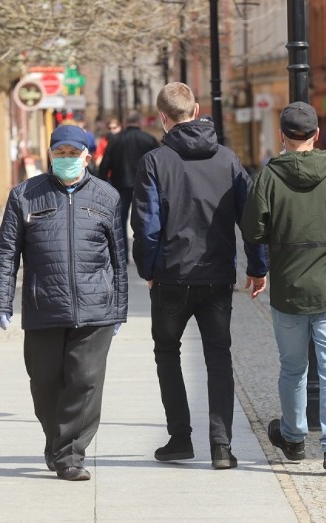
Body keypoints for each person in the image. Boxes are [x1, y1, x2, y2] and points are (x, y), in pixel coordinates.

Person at [131, 82, 268, 470]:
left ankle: (179, 438)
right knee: (218, 359)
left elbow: (147, 227)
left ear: (163, 118)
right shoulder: (227, 160)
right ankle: (221, 447)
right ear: (196, 111)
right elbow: (252, 220)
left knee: (167, 353)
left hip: (172, 276)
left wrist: (149, 270)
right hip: (217, 277)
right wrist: (257, 268)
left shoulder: (155, 162)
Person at [0, 124, 128, 482]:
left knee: (84, 381)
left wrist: (119, 309)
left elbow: (118, 258)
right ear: (50, 155)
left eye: (73, 153)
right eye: (59, 152)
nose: (66, 159)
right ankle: (56, 441)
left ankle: (70, 455)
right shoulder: (25, 195)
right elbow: (7, 253)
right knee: (45, 382)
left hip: (95, 306)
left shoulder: (107, 196)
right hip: (44, 306)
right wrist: (0, 301)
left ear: (87, 156)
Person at [240, 102, 326, 475]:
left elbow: (252, 230)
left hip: (288, 289)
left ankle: (295, 438)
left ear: (283, 136)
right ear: (316, 134)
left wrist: (271, 248)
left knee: (292, 368)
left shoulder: (268, 177)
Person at [99, 110, 159, 258]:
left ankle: (123, 255)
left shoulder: (115, 140)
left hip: (121, 184)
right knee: (146, 219)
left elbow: (105, 164)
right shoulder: (149, 139)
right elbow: (159, 164)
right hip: (145, 186)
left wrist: (101, 184)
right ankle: (146, 253)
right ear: (140, 122)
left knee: (120, 220)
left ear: (125, 123)